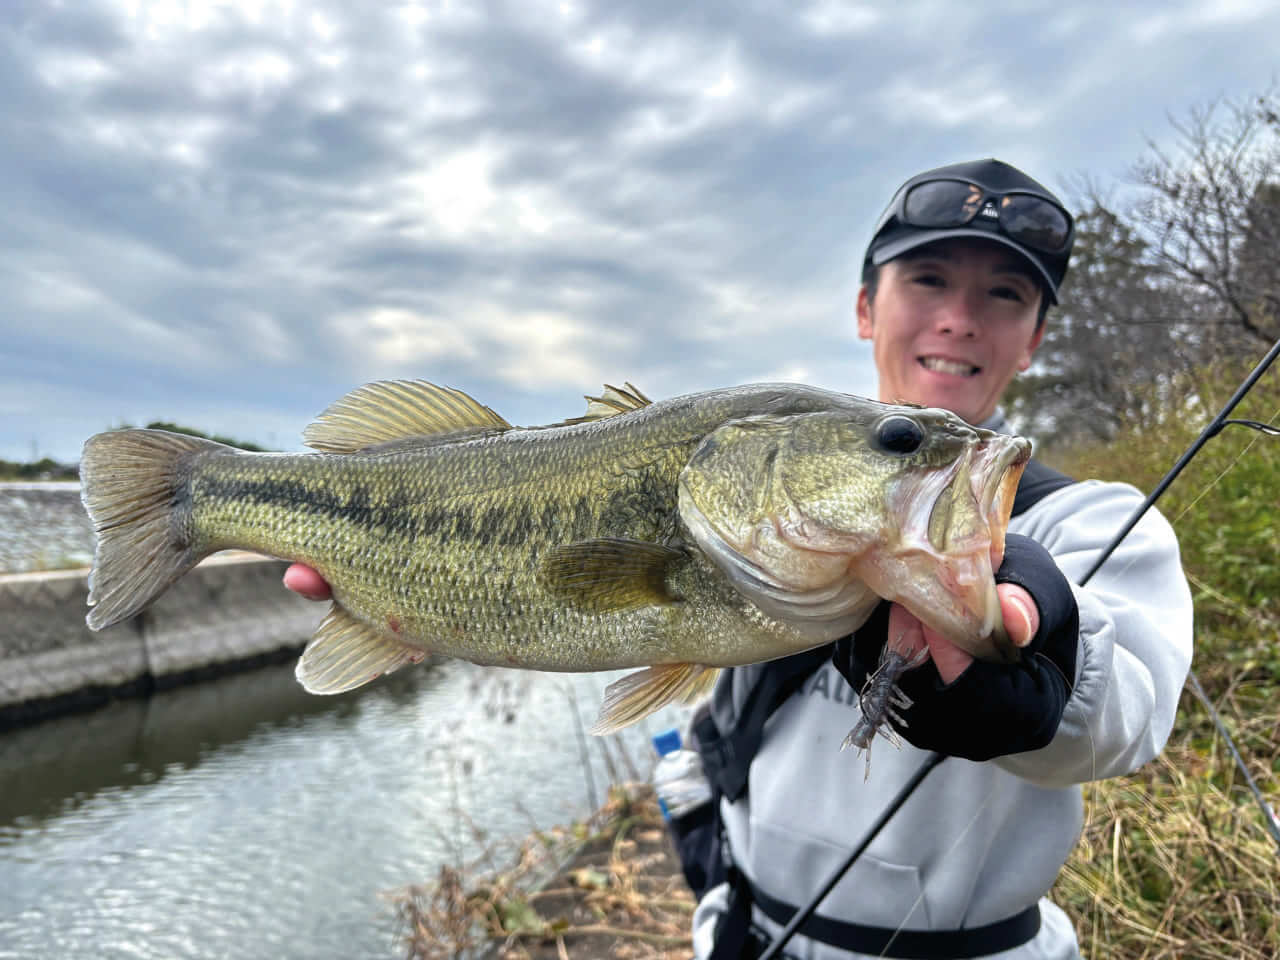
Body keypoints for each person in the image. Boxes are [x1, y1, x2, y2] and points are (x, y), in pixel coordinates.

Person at [283, 158, 1195, 960]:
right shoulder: (759, 523)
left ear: (1037, 336)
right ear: (865, 307)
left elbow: (1128, 710)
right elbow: (687, 715)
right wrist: (707, 866)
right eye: (928, 280)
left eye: (1006, 295)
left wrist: (1042, 653)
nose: (959, 320)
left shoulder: (1097, 520)